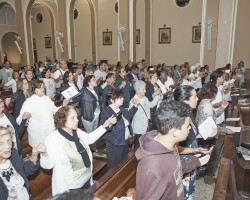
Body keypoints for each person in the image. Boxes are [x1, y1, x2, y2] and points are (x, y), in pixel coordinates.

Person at [135, 100, 210, 200]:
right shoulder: (152, 167)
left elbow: (175, 170)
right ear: (174, 131)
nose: (190, 129)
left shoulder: (169, 145)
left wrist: (196, 161)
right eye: (187, 126)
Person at [40, 106, 117, 196]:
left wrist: (105, 125)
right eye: (73, 118)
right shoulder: (52, 139)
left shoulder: (76, 131)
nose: (77, 120)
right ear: (62, 120)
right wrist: (44, 153)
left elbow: (90, 138)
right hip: (71, 187)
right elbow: (47, 165)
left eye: (77, 117)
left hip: (87, 179)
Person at [173, 85, 215, 199]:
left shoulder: (189, 113)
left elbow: (192, 134)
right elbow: (175, 148)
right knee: (185, 193)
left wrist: (207, 135)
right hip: (183, 161)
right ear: (185, 100)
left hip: (191, 156)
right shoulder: (179, 119)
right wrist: (196, 150)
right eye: (194, 97)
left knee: (191, 189)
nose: (197, 99)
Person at [16, 80, 69, 146]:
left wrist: (63, 105)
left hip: (50, 132)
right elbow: (18, 120)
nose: (43, 89)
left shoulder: (47, 99)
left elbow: (56, 111)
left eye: (43, 87)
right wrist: (24, 117)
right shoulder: (29, 102)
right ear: (34, 89)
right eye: (40, 87)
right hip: (38, 136)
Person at [0, 126, 45, 200]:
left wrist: (34, 154)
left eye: (9, 141)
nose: (7, 146)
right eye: (1, 143)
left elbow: (26, 171)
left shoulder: (13, 154)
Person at [100, 89, 139, 169]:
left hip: (124, 140)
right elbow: (103, 125)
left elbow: (128, 115)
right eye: (120, 98)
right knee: (115, 165)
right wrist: (109, 123)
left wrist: (135, 106)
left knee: (123, 162)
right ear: (112, 100)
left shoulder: (120, 108)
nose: (123, 99)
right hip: (115, 143)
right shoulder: (106, 112)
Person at [130, 80, 161, 146]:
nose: (145, 91)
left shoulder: (144, 98)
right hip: (139, 129)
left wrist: (157, 95)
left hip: (146, 126)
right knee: (138, 147)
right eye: (143, 89)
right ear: (138, 90)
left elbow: (151, 104)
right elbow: (130, 114)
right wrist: (135, 104)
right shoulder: (133, 101)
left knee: (145, 145)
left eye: (145, 89)